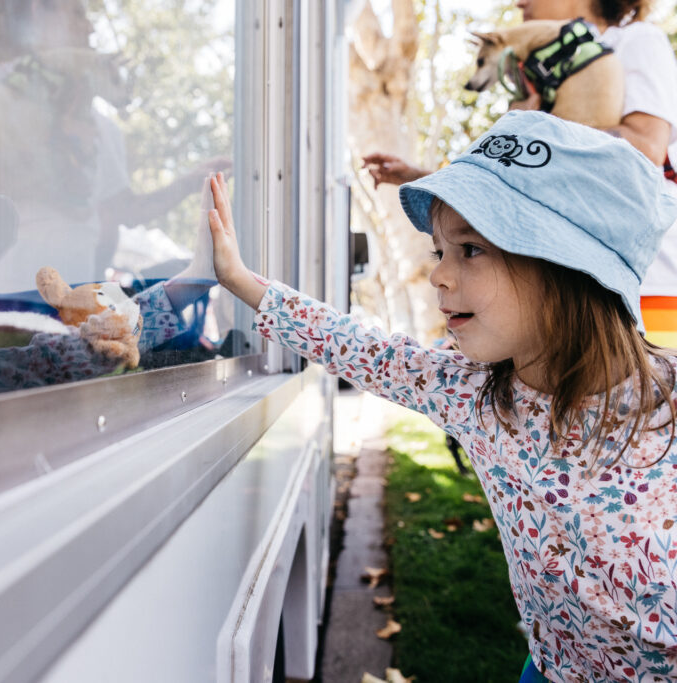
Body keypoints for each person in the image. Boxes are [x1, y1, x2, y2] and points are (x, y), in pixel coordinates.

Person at [207, 111, 677, 682]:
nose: (439, 276)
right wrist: (241, 281)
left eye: (471, 250)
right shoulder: (475, 392)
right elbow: (363, 348)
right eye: (439, 251)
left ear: (568, 265)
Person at [366, 0, 677, 345]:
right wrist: (422, 177)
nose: (519, 3)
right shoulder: (549, 69)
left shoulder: (637, 40)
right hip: (566, 291)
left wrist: (536, 125)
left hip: (647, 295)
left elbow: (647, 145)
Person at [0, 0, 230, 292]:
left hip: (74, 299)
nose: (91, 27)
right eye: (78, 13)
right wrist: (62, 158)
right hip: (9, 291)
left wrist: (188, 183)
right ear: (38, 11)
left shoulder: (102, 127)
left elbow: (123, 210)